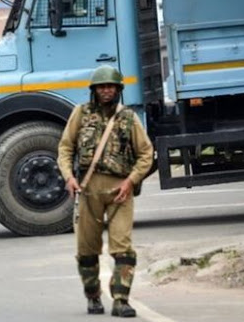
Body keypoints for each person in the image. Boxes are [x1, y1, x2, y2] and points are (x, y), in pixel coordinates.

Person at [57, 65, 153, 318]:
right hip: (88, 192)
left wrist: (131, 181)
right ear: (94, 90)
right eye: (102, 86)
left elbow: (146, 153)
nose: (106, 90)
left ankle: (121, 300)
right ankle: (93, 296)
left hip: (120, 191)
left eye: (111, 86)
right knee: (87, 251)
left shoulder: (129, 118)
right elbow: (65, 149)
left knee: (123, 248)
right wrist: (69, 177)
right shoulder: (81, 114)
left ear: (118, 89)